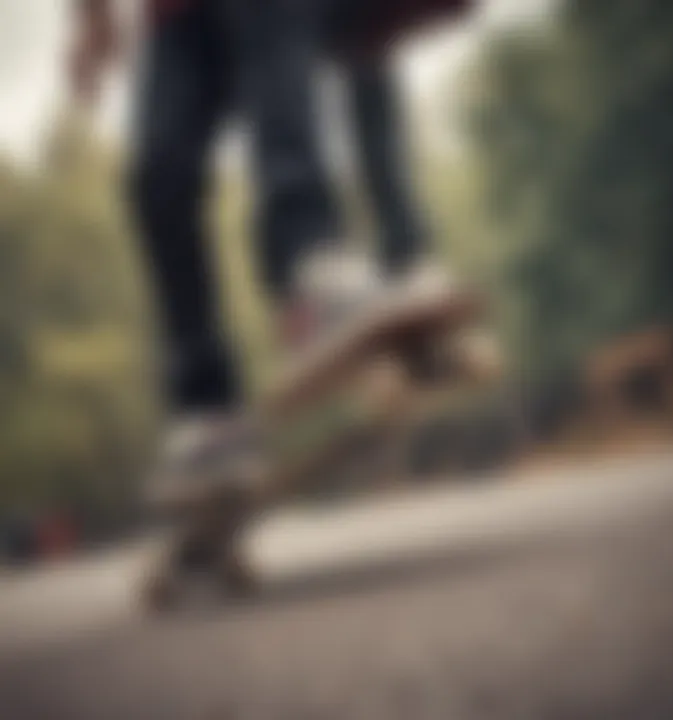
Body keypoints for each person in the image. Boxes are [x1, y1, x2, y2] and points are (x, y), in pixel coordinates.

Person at [69, 0, 471, 476]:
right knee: (159, 172)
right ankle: (205, 404)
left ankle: (314, 267)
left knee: (316, 61)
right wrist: (92, 19)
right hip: (177, 15)